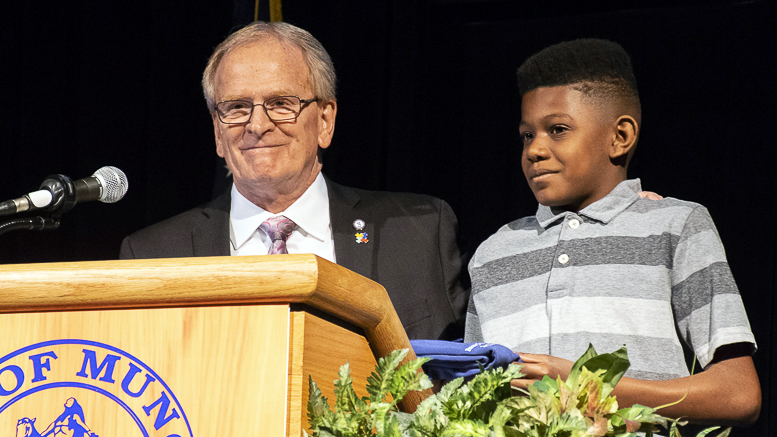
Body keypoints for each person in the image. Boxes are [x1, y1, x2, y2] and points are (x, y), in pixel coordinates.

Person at [463, 39, 761, 427]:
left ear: (620, 137)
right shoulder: (493, 253)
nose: (535, 149)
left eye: (557, 130)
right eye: (526, 135)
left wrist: (582, 385)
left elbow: (738, 394)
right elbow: (467, 396)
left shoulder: (674, 225)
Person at [119, 21, 467, 341]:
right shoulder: (153, 256)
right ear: (217, 131)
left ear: (325, 121)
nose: (257, 125)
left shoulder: (419, 234)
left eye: (281, 103)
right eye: (237, 107)